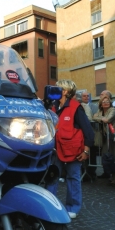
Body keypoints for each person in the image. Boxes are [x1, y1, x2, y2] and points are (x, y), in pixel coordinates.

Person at [46, 80, 94, 219]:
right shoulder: (52, 106)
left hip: (73, 150)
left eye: (58, 88)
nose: (54, 89)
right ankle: (49, 204)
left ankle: (73, 207)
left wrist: (86, 151)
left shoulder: (76, 107)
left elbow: (88, 131)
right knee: (52, 176)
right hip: (55, 149)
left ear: (65, 91)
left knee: (73, 177)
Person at [93, 97, 115, 183]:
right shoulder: (100, 111)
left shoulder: (113, 110)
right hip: (105, 136)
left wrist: (100, 118)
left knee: (114, 157)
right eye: (103, 102)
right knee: (106, 156)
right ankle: (110, 175)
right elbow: (94, 117)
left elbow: (107, 119)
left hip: (113, 136)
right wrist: (101, 118)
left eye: (107, 101)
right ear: (100, 104)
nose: (105, 103)